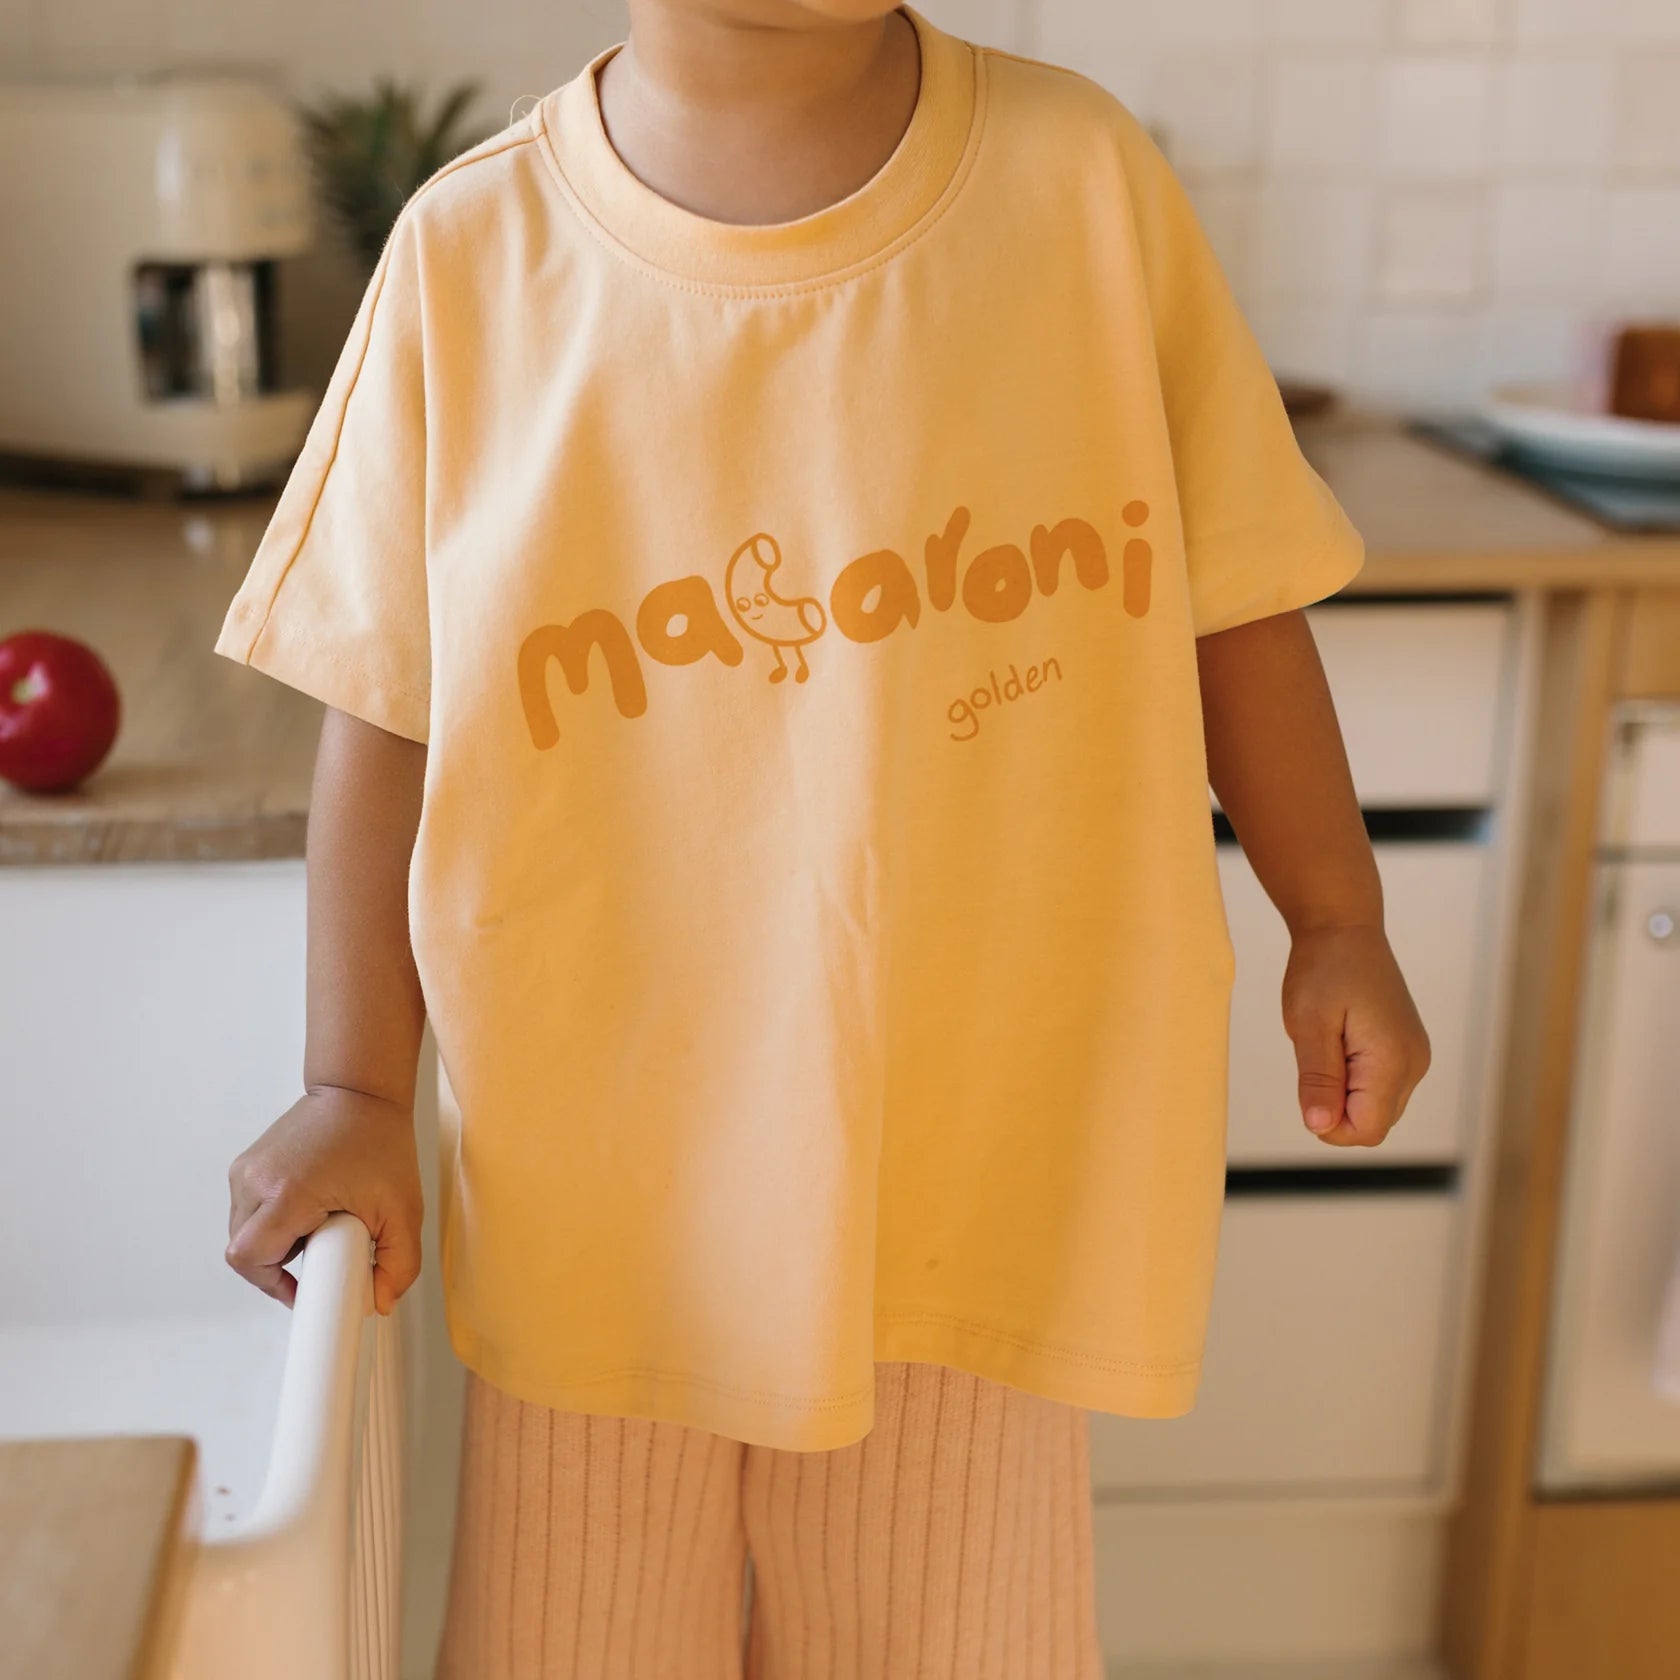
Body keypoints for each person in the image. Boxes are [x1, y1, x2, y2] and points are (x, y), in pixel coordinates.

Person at [216, 3, 1432, 1674]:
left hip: (983, 1188)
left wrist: (1337, 915)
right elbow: (387, 713)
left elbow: (1238, 600)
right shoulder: (469, 253)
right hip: (606, 1214)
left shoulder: (1082, 182)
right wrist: (357, 1089)